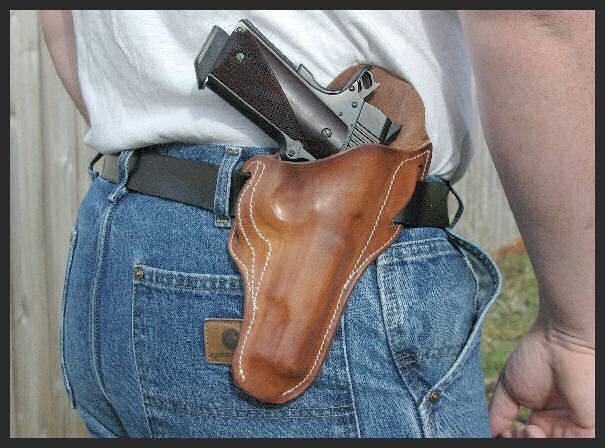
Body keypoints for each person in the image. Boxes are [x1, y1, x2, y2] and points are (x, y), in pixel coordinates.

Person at [41, 10, 594, 438]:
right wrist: (577, 335)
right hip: (333, 253)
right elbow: (541, 18)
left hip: (126, 232)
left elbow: (60, 25)